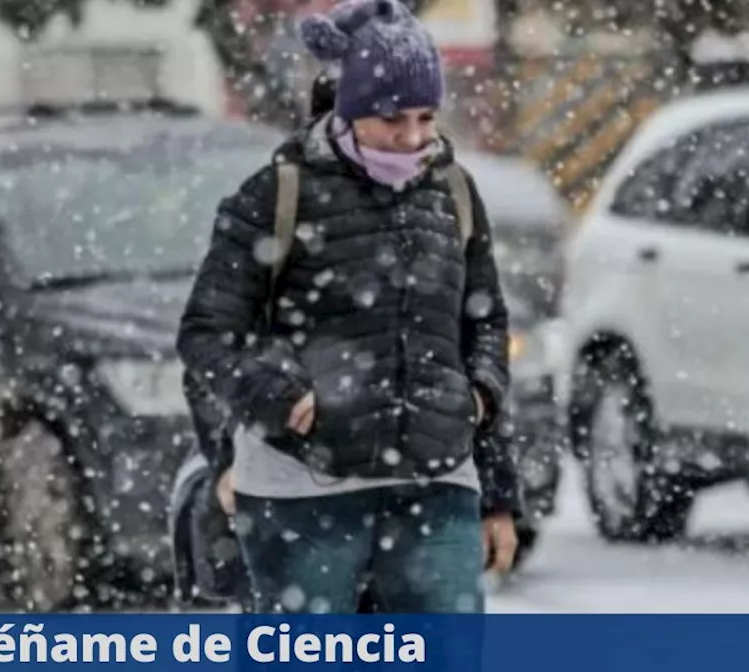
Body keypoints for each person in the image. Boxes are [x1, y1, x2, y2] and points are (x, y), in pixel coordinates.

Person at [177, 0, 521, 615]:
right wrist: (279, 400)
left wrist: (483, 427)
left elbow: (483, 327)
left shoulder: (454, 193)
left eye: (426, 118)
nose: (413, 138)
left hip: (434, 484)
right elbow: (207, 333)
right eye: (392, 120)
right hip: (304, 491)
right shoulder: (278, 196)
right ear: (351, 109)